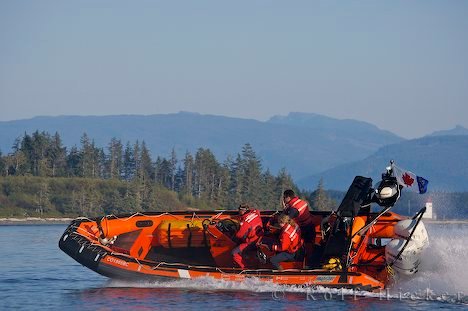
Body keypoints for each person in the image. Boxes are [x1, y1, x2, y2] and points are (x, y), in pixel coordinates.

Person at [282, 189, 320, 266]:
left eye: (284, 198)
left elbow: (285, 220)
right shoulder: (300, 202)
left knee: (300, 246)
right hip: (310, 225)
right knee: (310, 245)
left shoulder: (293, 209)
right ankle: (310, 262)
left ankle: (302, 264)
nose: (283, 199)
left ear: (288, 198)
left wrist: (284, 210)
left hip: (304, 229)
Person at [231, 203, 264, 269]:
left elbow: (238, 235)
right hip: (260, 237)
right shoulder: (255, 213)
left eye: (239, 210)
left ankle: (245, 268)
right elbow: (257, 211)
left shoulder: (245, 223)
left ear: (242, 211)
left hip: (252, 242)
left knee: (234, 252)